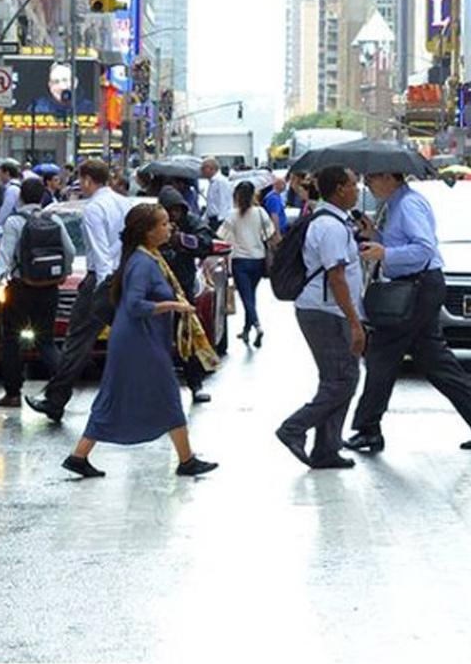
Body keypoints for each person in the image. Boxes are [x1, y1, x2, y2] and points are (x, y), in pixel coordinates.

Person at [346, 164, 471, 454]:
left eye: (371, 177)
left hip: (417, 287)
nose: (367, 183)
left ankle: (368, 428)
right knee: (434, 360)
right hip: (419, 286)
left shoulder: (407, 205)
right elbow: (405, 245)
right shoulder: (397, 204)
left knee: (382, 353)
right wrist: (377, 236)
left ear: (388, 175)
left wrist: (385, 253)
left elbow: (423, 249)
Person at [61, 203, 220, 479]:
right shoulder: (142, 263)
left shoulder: (149, 258)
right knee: (164, 393)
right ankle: (186, 460)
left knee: (123, 394)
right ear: (148, 232)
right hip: (138, 341)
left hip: (141, 338)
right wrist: (173, 305)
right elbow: (135, 305)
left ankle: (80, 455)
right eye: (163, 224)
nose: (169, 228)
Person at [274, 167, 367, 471]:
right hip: (326, 312)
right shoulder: (330, 226)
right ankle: (294, 427)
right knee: (343, 380)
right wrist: (354, 322)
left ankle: (326, 449)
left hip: (327, 310)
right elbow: (336, 277)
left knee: (337, 379)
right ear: (340, 189)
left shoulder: (336, 222)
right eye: (353, 184)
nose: (357, 190)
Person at [27, 160, 133, 422]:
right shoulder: (124, 203)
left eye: (81, 181)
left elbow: (100, 250)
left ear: (87, 180)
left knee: (77, 341)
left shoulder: (95, 208)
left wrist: (103, 286)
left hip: (101, 279)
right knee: (133, 337)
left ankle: (55, 399)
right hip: (124, 276)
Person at [0, 179, 61, 407]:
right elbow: (69, 251)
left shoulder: (14, 222)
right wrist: (60, 274)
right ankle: (62, 384)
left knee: (12, 339)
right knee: (46, 340)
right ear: (42, 197)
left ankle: (13, 394)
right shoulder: (54, 219)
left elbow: (5, 255)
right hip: (49, 288)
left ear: (20, 197)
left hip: (21, 287)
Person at [221, 181, 275, 348]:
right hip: (258, 260)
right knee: (250, 295)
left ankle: (257, 326)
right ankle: (246, 329)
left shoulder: (232, 215)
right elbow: (270, 233)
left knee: (246, 297)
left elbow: (223, 236)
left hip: (240, 261)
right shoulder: (260, 212)